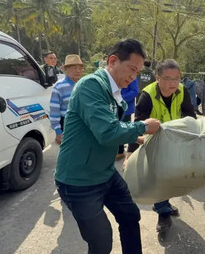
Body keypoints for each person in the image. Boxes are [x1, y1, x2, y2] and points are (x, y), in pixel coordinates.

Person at [54, 39, 161, 254]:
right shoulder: (91, 85)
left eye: (137, 72)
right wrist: (142, 126)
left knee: (131, 216)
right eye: (131, 69)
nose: (133, 77)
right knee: (101, 242)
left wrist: (136, 138)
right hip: (79, 182)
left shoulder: (114, 92)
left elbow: (114, 126)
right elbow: (107, 132)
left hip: (104, 173)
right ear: (113, 60)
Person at [126, 59, 196, 234]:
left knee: (172, 176)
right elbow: (137, 127)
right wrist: (130, 155)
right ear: (158, 78)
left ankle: (165, 204)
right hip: (154, 143)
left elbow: (190, 116)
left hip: (175, 141)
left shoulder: (182, 91)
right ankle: (163, 212)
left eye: (176, 78)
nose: (173, 83)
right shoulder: (147, 95)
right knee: (159, 177)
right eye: (168, 78)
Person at [49, 54, 83, 145]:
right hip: (67, 123)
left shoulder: (83, 84)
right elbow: (54, 110)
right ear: (66, 70)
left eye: (80, 68)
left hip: (82, 122)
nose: (78, 71)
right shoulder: (59, 86)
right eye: (74, 68)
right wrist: (58, 131)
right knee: (69, 151)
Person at [116, 78, 139, 160]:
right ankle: (118, 150)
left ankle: (121, 151)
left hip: (126, 108)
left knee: (124, 129)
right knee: (116, 128)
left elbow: (135, 91)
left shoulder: (132, 77)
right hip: (115, 107)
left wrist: (121, 98)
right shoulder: (117, 74)